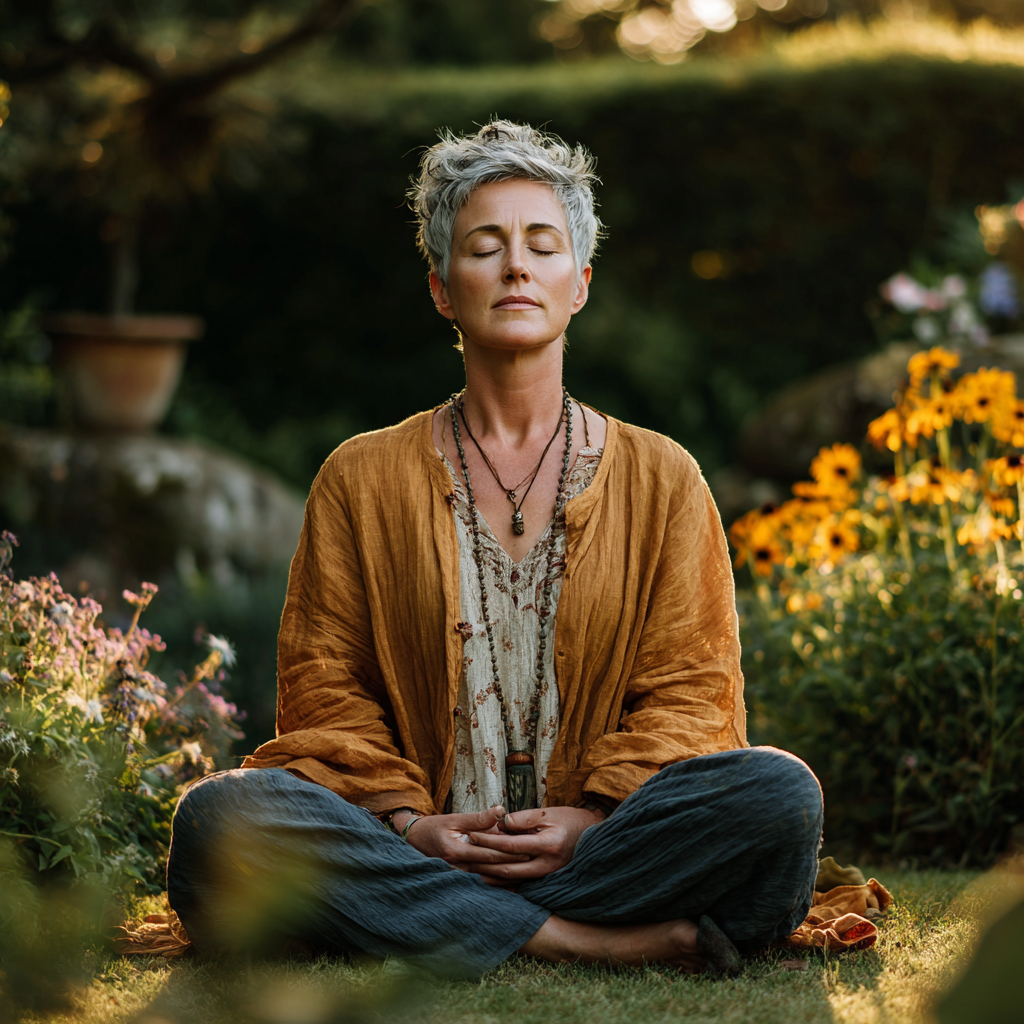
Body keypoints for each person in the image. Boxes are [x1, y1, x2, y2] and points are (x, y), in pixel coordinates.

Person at [166, 121, 823, 978]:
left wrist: (592, 817)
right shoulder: (359, 477)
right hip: (428, 846)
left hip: (604, 849)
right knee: (221, 819)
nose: (516, 266)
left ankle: (410, 917)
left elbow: (693, 697)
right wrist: (412, 827)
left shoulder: (664, 477)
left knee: (779, 795)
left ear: (578, 284)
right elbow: (326, 691)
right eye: (486, 246)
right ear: (444, 288)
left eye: (542, 246)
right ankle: (576, 941)